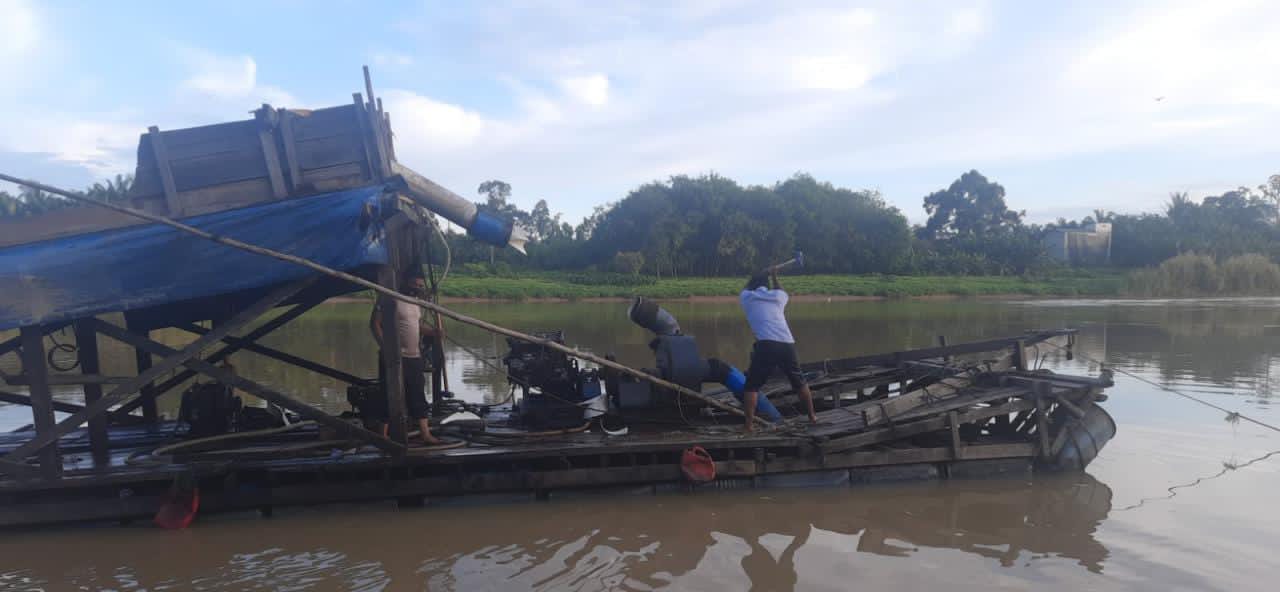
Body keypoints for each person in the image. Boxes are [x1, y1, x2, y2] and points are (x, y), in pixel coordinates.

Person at [739, 267, 817, 432]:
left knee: (751, 386)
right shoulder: (778, 297)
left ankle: (748, 425)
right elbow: (781, 290)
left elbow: (745, 288)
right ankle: (812, 417)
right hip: (787, 343)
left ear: (752, 284)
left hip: (766, 344)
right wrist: (774, 276)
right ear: (768, 285)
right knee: (799, 382)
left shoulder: (747, 297)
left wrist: (760, 274)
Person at [370, 272, 442, 445]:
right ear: (405, 281)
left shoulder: (416, 303)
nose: (417, 288)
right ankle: (383, 436)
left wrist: (433, 332)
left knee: (418, 394)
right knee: (389, 394)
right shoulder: (389, 299)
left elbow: (415, 326)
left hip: (414, 356)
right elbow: (375, 324)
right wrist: (386, 348)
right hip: (394, 357)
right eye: (415, 284)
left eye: (420, 286)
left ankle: (425, 434)